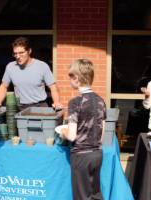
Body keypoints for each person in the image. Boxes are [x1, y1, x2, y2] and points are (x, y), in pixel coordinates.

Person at [61, 59, 106, 200]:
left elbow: (72, 136)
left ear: (77, 78)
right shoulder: (101, 100)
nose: (70, 80)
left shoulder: (75, 102)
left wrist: (63, 131)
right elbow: (102, 133)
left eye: (71, 77)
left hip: (81, 156)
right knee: (95, 195)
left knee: (82, 196)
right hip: (97, 154)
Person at [0, 36, 61, 110]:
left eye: (21, 53)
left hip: (40, 106)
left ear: (29, 51)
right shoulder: (10, 67)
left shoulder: (42, 66)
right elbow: (4, 86)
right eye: (15, 53)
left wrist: (56, 102)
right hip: (20, 107)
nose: (18, 56)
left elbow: (53, 87)